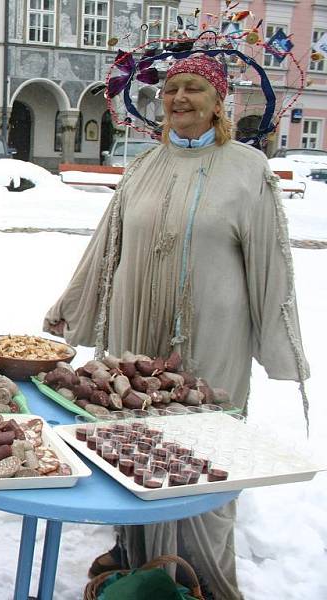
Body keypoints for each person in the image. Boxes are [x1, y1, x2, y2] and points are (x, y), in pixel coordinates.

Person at [43, 54, 309, 600]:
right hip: (134, 326)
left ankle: (206, 575)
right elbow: (106, 246)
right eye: (171, 89)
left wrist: (281, 346)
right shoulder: (142, 165)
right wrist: (72, 308)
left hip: (212, 334)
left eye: (194, 89)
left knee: (206, 449)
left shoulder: (247, 168)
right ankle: (137, 558)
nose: (180, 98)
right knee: (129, 439)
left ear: (219, 103)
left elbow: (269, 262)